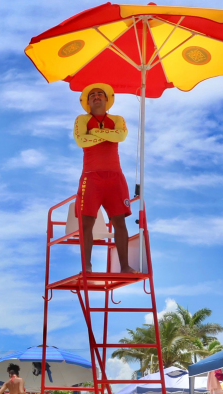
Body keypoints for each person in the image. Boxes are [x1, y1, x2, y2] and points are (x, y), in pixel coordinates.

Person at [73, 83, 136, 274]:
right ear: (87, 101)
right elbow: (80, 140)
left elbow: (121, 136)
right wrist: (109, 135)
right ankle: (87, 266)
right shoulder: (82, 119)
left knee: (120, 222)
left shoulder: (117, 118)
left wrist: (95, 133)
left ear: (107, 99)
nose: (96, 96)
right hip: (91, 178)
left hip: (115, 177)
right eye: (92, 94)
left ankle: (124, 266)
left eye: (100, 94)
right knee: (86, 223)